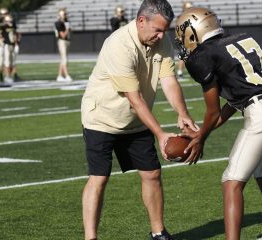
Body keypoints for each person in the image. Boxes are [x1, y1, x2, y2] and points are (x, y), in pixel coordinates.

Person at [81, 0, 198, 240]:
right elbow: (134, 99)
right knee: (99, 177)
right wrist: (161, 134)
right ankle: (90, 237)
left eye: (164, 30)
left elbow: (169, 80)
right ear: (141, 20)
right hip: (102, 117)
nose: (160, 35)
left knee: (152, 173)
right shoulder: (118, 44)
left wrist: (182, 112)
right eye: (156, 29)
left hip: (136, 120)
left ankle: (158, 232)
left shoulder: (161, 40)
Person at [175, 7, 262, 240]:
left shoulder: (203, 55)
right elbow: (233, 102)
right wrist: (201, 133)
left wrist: (201, 138)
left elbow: (212, 111)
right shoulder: (241, 38)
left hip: (261, 114)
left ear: (193, 32)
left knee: (231, 182)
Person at [0, 14, 20, 84]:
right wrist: (1, 40)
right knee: (7, 62)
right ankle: (7, 76)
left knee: (12, 63)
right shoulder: (3, 25)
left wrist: (17, 41)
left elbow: (16, 31)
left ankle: (9, 76)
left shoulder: (13, 25)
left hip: (13, 45)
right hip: (7, 45)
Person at [175, 1, 193, 78]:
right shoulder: (181, 17)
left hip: (191, 38)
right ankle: (180, 71)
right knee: (183, 54)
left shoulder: (192, 16)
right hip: (184, 38)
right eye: (188, 8)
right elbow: (178, 29)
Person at [54, 8, 72, 82]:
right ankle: (67, 75)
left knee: (63, 59)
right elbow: (63, 35)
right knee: (64, 59)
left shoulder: (66, 22)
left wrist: (68, 29)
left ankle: (59, 76)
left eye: (65, 14)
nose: (64, 15)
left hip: (66, 41)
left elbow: (69, 32)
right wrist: (67, 29)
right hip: (62, 41)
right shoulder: (58, 23)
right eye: (63, 14)